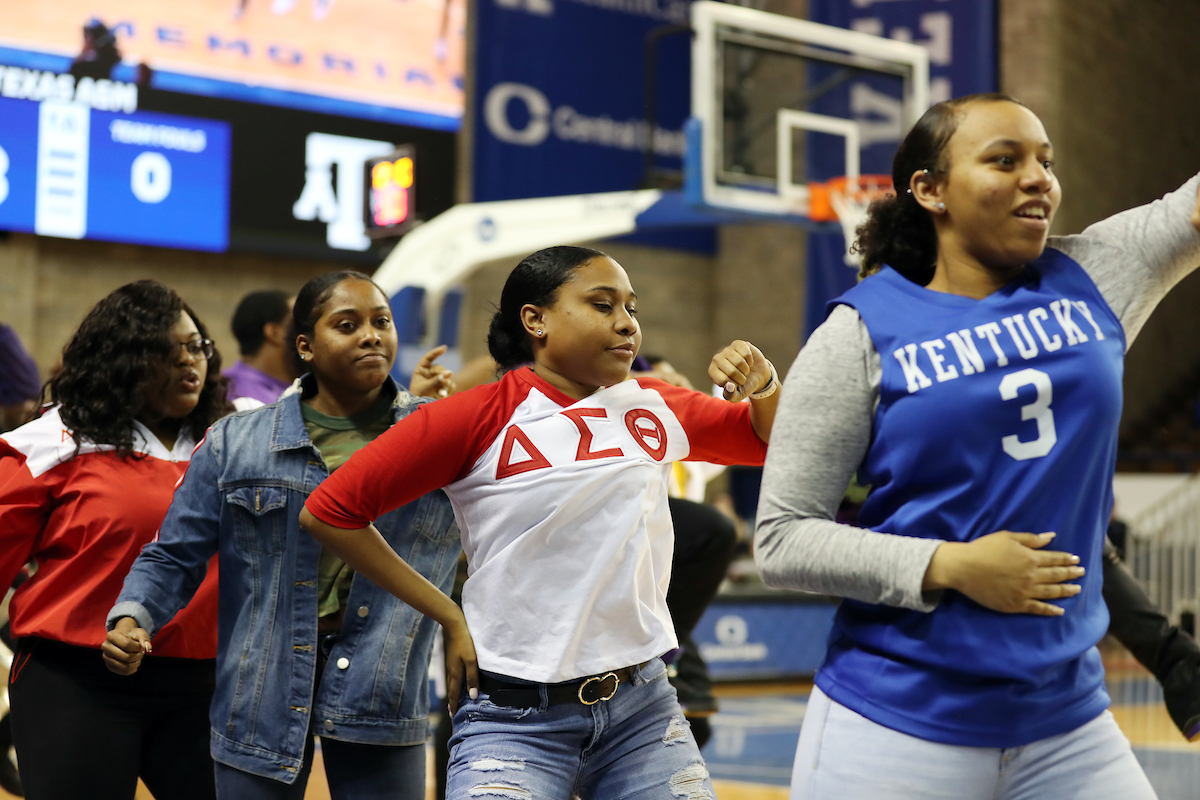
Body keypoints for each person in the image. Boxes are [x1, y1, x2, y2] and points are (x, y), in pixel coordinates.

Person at [755, 92, 1200, 799]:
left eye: (1046, 162)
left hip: (1068, 720)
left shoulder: (1096, 274)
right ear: (930, 191)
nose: (1039, 178)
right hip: (895, 721)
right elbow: (781, 539)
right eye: (1005, 160)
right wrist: (951, 564)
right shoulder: (858, 334)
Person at [299, 245, 780, 799]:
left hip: (643, 712)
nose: (626, 324)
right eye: (603, 305)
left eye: (632, 308)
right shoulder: (474, 415)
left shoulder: (651, 402)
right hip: (511, 720)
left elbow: (770, 441)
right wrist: (449, 615)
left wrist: (764, 385)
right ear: (536, 319)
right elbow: (330, 512)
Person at [102, 271, 460, 800]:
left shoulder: (443, 437)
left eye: (382, 322)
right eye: (347, 324)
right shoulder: (236, 442)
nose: (371, 335)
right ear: (305, 346)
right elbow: (174, 555)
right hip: (259, 692)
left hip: (382, 691)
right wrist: (134, 615)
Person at [0, 280, 230, 800]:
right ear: (122, 358)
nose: (189, 362)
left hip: (206, 685)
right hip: (76, 679)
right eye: (165, 352)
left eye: (196, 347)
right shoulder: (55, 441)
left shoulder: (230, 439)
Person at [223, 290, 299, 405]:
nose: (310, 332)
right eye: (299, 322)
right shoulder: (229, 395)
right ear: (274, 332)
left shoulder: (304, 388)